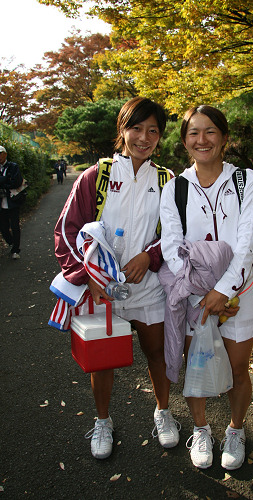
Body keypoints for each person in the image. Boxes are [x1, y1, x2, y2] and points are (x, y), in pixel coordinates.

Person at [53, 97, 180, 460]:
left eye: (152, 130)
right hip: (103, 291)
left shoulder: (166, 180)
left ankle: (163, 412)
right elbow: (66, 231)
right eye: (136, 128)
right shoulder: (97, 176)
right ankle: (103, 421)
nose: (144, 137)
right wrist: (86, 277)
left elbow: (175, 233)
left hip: (147, 288)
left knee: (156, 352)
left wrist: (149, 256)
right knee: (103, 358)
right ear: (122, 130)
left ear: (160, 136)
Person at [160, 105, 253, 471]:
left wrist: (223, 293)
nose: (201, 140)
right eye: (193, 133)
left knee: (239, 369)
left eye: (210, 131)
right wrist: (204, 291)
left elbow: (246, 243)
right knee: (197, 367)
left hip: (239, 294)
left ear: (223, 136)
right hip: (195, 297)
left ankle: (235, 429)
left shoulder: (245, 182)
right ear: (185, 140)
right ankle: (201, 429)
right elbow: (172, 247)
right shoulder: (175, 188)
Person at [0, 145, 24, 259]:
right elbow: (10, 181)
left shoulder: (13, 166)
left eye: (1, 154)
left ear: (5, 154)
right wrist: (6, 180)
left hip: (13, 201)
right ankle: (11, 243)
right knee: (3, 227)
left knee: (15, 226)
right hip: (2, 203)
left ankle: (16, 250)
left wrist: (3, 182)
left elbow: (16, 182)